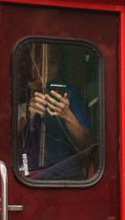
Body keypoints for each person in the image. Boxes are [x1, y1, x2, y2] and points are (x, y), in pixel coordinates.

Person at [17, 44, 94, 181]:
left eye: (52, 61)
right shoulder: (17, 93)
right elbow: (3, 139)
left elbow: (86, 145)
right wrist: (27, 115)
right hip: (22, 174)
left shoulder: (69, 94)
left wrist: (66, 115)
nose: (45, 66)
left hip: (62, 178)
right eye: (38, 60)